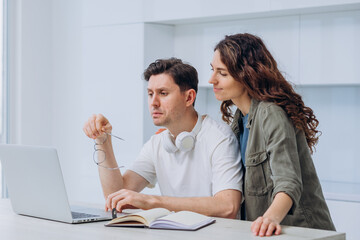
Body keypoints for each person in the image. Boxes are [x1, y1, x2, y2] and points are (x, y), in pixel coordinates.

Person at [83, 58, 243, 218]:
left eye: (163, 93)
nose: (153, 102)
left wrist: (153, 202)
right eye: (150, 94)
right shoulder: (157, 143)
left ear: (189, 98)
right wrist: (103, 140)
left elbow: (227, 206)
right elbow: (115, 197)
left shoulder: (219, 138)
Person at [208, 33, 335, 235]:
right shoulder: (239, 119)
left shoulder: (271, 113)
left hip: (302, 230)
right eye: (213, 70)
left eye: (222, 73)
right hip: (265, 231)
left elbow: (289, 181)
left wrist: (270, 218)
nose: (211, 79)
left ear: (246, 74)